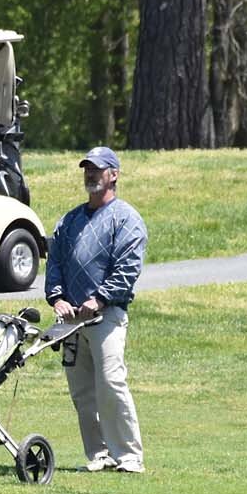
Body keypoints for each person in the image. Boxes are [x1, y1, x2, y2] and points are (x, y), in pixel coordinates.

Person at [45, 146, 148, 474]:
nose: (90, 174)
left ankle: (129, 456)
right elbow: (55, 262)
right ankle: (99, 455)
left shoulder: (126, 218)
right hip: (72, 320)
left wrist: (99, 299)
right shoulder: (70, 220)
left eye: (98, 169)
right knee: (83, 393)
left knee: (111, 382)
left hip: (106, 316)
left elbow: (128, 269)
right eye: (87, 168)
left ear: (113, 175)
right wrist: (57, 297)